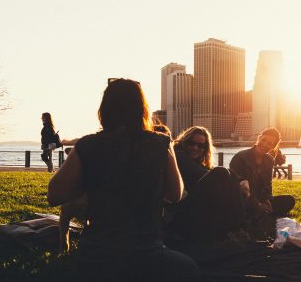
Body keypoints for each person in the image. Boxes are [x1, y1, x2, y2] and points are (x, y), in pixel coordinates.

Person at [47, 79, 199, 280]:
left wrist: (88, 183)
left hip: (96, 257)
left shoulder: (87, 146)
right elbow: (175, 194)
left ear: (104, 110)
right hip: (146, 254)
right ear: (142, 109)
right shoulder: (160, 143)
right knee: (191, 270)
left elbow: (54, 195)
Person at [166, 126, 245, 245]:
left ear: (205, 148)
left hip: (193, 208)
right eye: (191, 143)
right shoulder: (179, 156)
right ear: (184, 142)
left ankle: (236, 228)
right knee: (222, 173)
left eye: (200, 146)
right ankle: (235, 229)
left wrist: (242, 180)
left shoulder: (195, 162)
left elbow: (207, 172)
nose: (195, 148)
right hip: (179, 213)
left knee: (231, 175)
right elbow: (205, 174)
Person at [230, 127, 295, 220]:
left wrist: (267, 199)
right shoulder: (240, 157)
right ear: (259, 138)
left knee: (289, 200)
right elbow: (237, 186)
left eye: (269, 143)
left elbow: (268, 185)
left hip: (260, 198)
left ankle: (263, 212)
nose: (264, 144)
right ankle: (260, 212)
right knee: (254, 209)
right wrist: (257, 204)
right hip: (243, 199)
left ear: (273, 147)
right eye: (263, 140)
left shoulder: (269, 160)